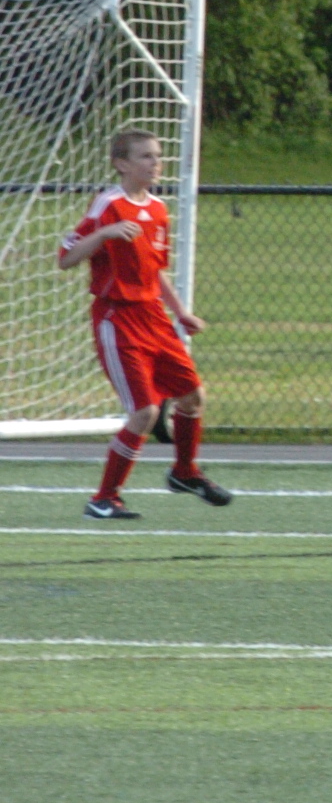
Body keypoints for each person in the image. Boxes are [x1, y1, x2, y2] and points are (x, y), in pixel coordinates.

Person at [60, 129, 222, 519]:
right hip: (118, 319)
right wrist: (105, 233)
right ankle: (103, 498)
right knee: (145, 411)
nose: (155, 163)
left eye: (158, 155)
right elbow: (66, 258)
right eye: (146, 156)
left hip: (154, 318)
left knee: (192, 397)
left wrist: (180, 312)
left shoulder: (159, 209)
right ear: (121, 164)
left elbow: (154, 270)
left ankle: (184, 472)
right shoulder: (108, 205)